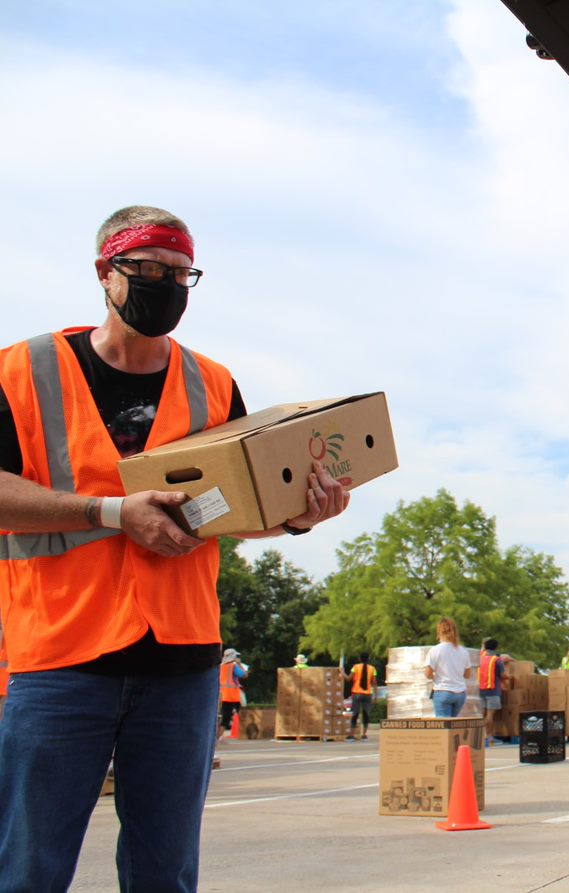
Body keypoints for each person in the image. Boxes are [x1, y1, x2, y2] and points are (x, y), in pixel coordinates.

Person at [0, 206, 350, 892]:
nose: (166, 286)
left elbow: (237, 513)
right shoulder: (22, 371)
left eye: (180, 274)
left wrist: (299, 519)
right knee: (27, 870)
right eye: (148, 270)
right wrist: (109, 512)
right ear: (106, 272)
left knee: (165, 874)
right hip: (62, 658)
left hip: (181, 663)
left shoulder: (214, 385)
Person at [423, 618, 470, 718]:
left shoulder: (435, 650)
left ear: (439, 631)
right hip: (460, 694)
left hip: (442, 691)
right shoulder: (463, 651)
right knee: (452, 726)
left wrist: (435, 677)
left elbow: (427, 674)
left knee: (444, 728)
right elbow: (467, 675)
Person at [478, 638, 507, 742]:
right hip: (493, 690)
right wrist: (510, 678)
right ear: (496, 647)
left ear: (484, 646)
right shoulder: (496, 659)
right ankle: (489, 737)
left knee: (481, 713)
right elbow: (503, 675)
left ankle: (480, 736)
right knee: (490, 715)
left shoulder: (479, 658)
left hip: (480, 690)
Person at [218, 647, 249, 740]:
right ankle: (219, 737)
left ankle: (218, 736)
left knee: (222, 716)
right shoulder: (233, 666)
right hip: (231, 696)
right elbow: (244, 675)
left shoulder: (221, 666)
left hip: (221, 695)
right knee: (227, 718)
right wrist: (239, 664)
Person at [346, 655, 377, 740]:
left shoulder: (355, 667)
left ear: (359, 659)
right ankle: (364, 735)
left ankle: (351, 735)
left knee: (355, 714)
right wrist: (375, 696)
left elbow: (348, 679)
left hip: (357, 693)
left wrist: (342, 673)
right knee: (366, 714)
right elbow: (374, 683)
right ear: (369, 659)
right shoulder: (372, 669)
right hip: (368, 694)